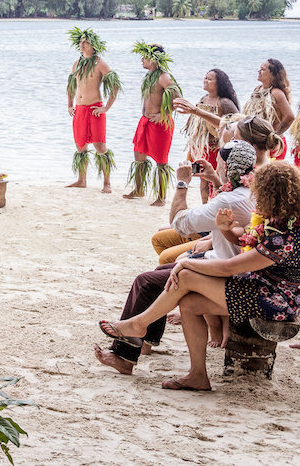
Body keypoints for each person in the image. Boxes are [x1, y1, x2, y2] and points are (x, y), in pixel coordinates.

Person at [99, 160, 300, 392]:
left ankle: (139, 324)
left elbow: (229, 268)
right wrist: (224, 227)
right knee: (189, 302)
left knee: (185, 276)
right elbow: (244, 238)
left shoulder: (284, 237)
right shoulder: (277, 221)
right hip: (260, 287)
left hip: (275, 302)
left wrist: (186, 264)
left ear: (270, 194)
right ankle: (197, 375)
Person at [93, 140, 259, 376]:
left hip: (223, 269)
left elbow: (179, 222)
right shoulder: (252, 191)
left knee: (146, 281)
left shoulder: (227, 200)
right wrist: (215, 179)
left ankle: (125, 356)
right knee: (160, 272)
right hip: (223, 260)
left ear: (227, 165)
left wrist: (182, 183)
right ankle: (144, 342)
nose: (216, 163)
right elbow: (234, 204)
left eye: (219, 160)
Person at [150, 117, 281, 264]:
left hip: (234, 250)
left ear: (247, 146)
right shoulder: (264, 173)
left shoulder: (262, 181)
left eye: (234, 137)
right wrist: (214, 178)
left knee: (168, 256)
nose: (231, 140)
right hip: (226, 233)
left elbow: (238, 213)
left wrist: (182, 183)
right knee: (164, 241)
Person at [125, 42, 182, 205]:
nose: (142, 59)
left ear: (154, 59)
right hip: (145, 122)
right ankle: (139, 189)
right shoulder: (150, 76)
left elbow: (176, 97)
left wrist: (164, 114)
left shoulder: (164, 77)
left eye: (145, 57)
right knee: (138, 154)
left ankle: (161, 197)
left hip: (160, 125)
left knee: (161, 161)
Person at [65, 28, 120, 193]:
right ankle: (82, 180)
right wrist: (69, 104)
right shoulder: (77, 63)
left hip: (95, 109)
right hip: (79, 109)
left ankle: (107, 183)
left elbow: (115, 86)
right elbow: (71, 86)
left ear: (93, 45)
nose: (82, 44)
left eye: (85, 42)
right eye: (80, 42)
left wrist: (106, 107)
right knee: (80, 145)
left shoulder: (100, 63)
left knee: (100, 146)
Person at [176, 69, 239, 203]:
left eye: (210, 79)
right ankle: (205, 204)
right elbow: (196, 122)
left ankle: (215, 203)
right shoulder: (204, 99)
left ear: (219, 83)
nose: (205, 80)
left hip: (216, 148)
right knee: (202, 177)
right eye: (205, 77)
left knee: (215, 177)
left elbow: (235, 125)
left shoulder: (225, 102)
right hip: (202, 147)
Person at [241, 58, 292, 159]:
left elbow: (289, 116)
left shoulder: (276, 93)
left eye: (263, 69)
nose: (259, 71)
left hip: (272, 145)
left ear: (272, 74)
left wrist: (275, 134)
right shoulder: (258, 89)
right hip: (257, 143)